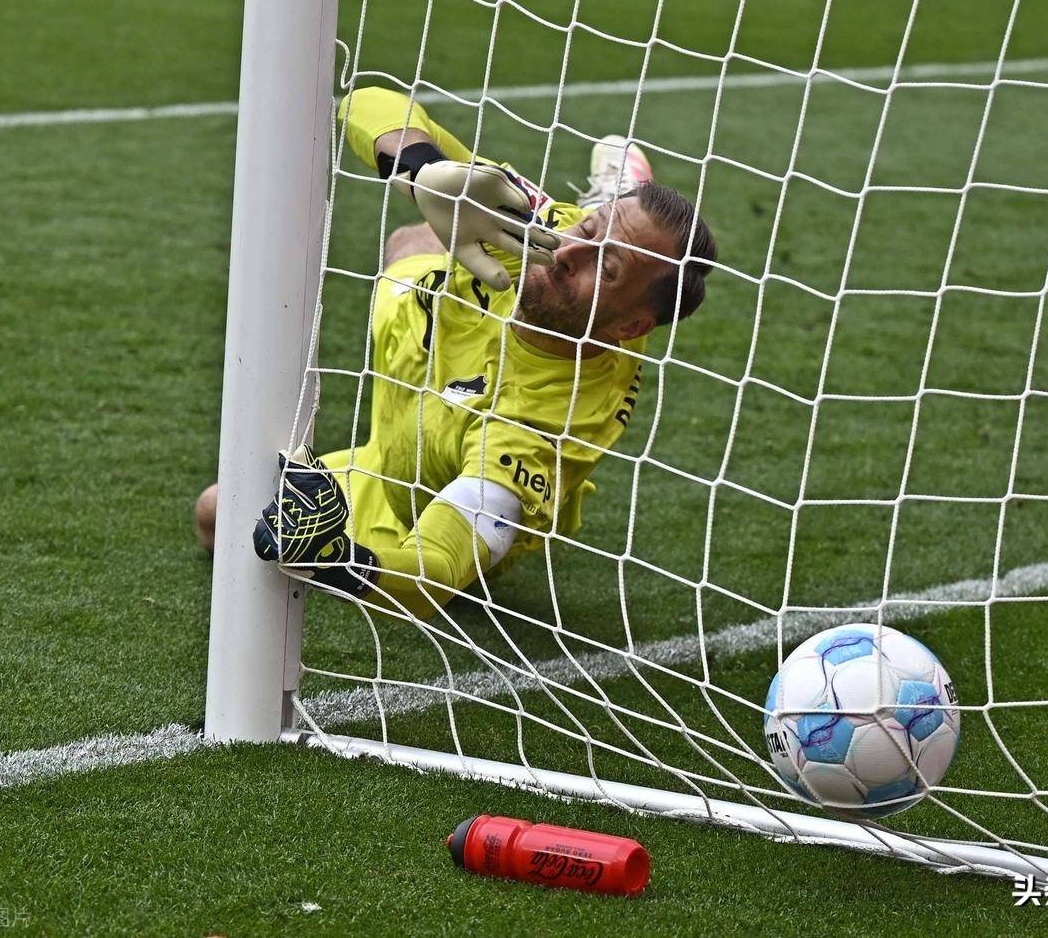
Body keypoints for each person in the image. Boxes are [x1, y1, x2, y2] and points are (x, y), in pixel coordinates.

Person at [195, 86, 717, 620]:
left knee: (216, 514)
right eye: (588, 229)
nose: (568, 254)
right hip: (433, 325)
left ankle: (614, 206)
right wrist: (423, 171)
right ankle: (613, 206)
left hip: (402, 493)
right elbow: (362, 102)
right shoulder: (544, 231)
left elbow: (438, 566)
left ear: (631, 326)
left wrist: (341, 561)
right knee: (414, 237)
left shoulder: (542, 430)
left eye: (605, 267)